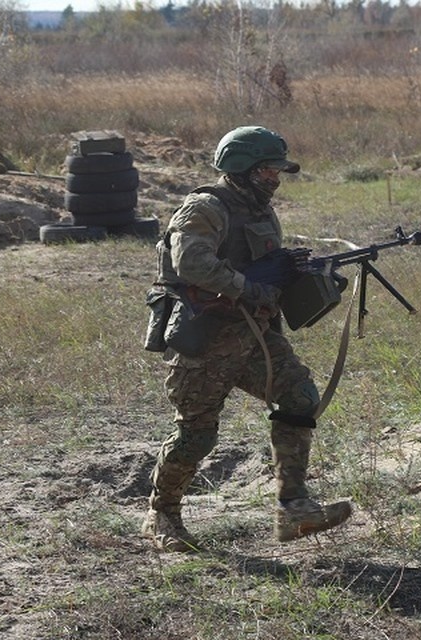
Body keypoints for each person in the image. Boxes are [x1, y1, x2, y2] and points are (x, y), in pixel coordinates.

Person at [142, 125, 352, 552]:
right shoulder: (205, 208)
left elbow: (265, 264)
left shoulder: (258, 209)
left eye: (277, 172)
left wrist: (306, 278)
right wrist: (250, 288)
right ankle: (161, 514)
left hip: (254, 337)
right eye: (267, 172)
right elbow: (192, 264)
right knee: (196, 436)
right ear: (241, 169)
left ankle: (293, 507)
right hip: (204, 340)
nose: (275, 180)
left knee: (299, 398)